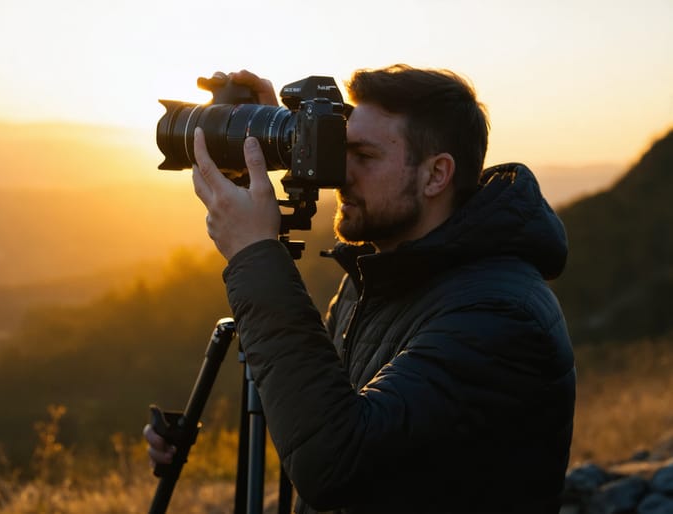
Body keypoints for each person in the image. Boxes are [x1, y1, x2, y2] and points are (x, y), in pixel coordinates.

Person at [145, 65, 576, 513]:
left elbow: (334, 463)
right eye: (338, 146)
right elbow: (316, 412)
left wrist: (256, 255)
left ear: (436, 175)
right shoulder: (376, 280)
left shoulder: (499, 316)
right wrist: (285, 141)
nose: (340, 172)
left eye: (364, 155)